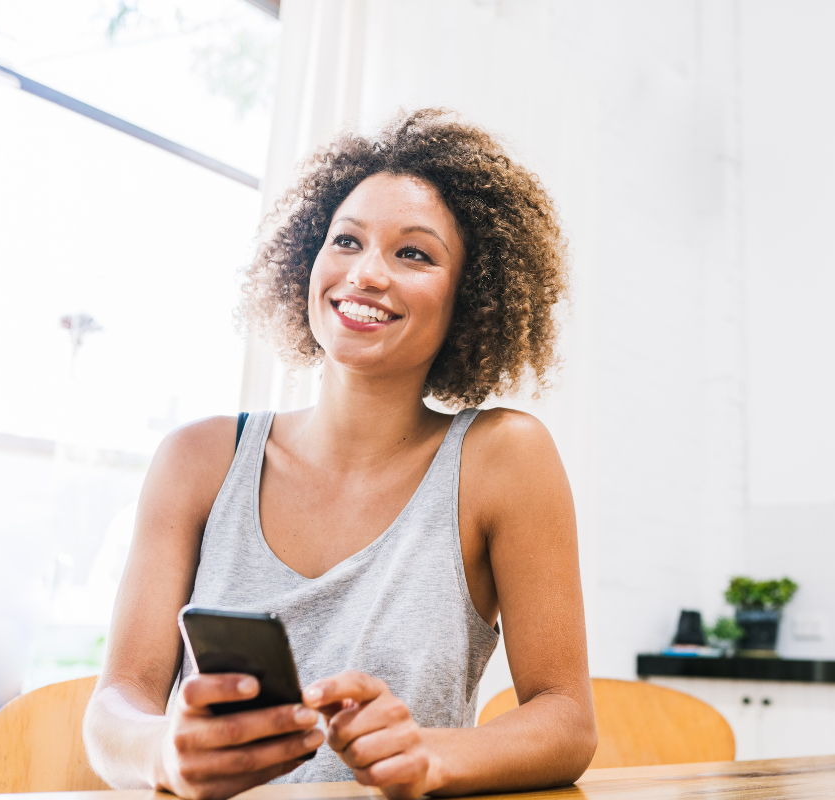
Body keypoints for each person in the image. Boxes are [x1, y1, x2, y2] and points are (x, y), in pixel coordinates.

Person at [82, 109, 596, 800]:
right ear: (308, 260)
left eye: (413, 253)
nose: (366, 274)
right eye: (346, 240)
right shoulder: (198, 460)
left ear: (469, 295)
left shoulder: (502, 459)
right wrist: (162, 753)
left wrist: (431, 755)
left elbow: (565, 720)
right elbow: (116, 704)